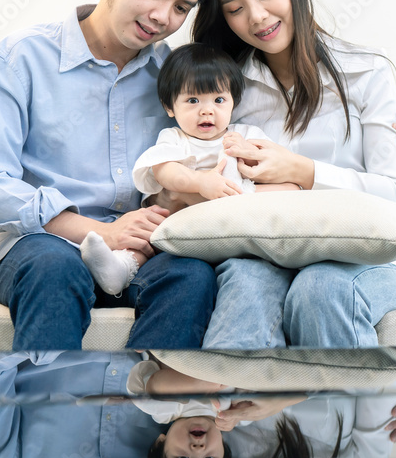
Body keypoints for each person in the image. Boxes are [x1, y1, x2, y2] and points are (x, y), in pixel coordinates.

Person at [0, 0, 218, 350]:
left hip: (141, 249)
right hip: (43, 246)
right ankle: (47, 415)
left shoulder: (176, 77)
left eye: (180, 8)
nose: (162, 17)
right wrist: (98, 231)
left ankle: (154, 412)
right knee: (54, 269)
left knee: (192, 275)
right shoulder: (20, 59)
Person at [188, 0, 396, 348]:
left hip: (356, 258)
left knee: (320, 290)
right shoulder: (225, 92)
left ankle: (356, 413)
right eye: (234, 8)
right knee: (247, 283)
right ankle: (226, 410)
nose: (257, 17)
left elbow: (393, 197)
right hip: (263, 252)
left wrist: (303, 171)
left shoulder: (368, 73)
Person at [79, 43, 299, 295]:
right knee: (146, 234)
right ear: (170, 107)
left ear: (233, 103)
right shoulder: (174, 138)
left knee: (290, 190)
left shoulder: (247, 134)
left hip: (236, 218)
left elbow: (275, 171)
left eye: (218, 100)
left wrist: (247, 154)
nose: (207, 110)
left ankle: (239, 201)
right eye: (193, 100)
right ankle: (120, 268)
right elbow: (164, 171)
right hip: (180, 225)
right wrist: (200, 183)